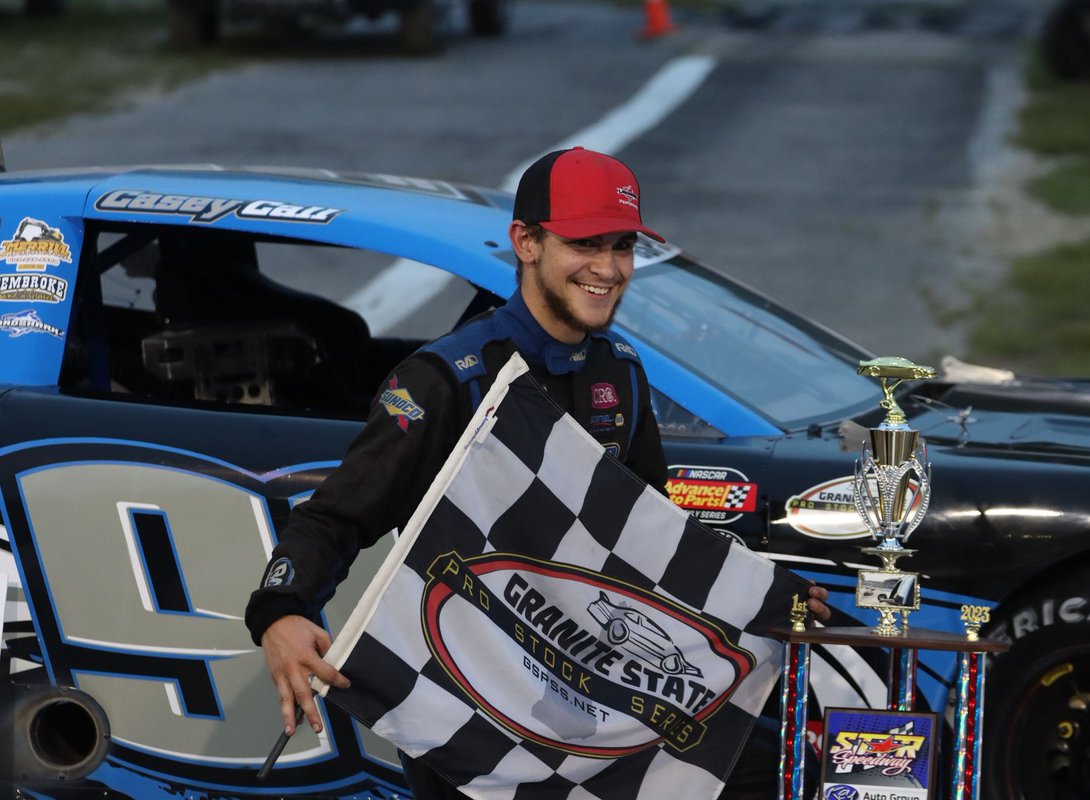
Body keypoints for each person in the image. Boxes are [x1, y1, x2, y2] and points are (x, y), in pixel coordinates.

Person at [245, 147, 831, 799]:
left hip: (585, 693)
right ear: (526, 242)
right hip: (465, 695)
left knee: (769, 760)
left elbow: (655, 547)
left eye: (622, 246)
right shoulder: (446, 379)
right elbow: (335, 517)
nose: (608, 269)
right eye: (585, 244)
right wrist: (281, 609)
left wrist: (763, 599)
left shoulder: (620, 373)